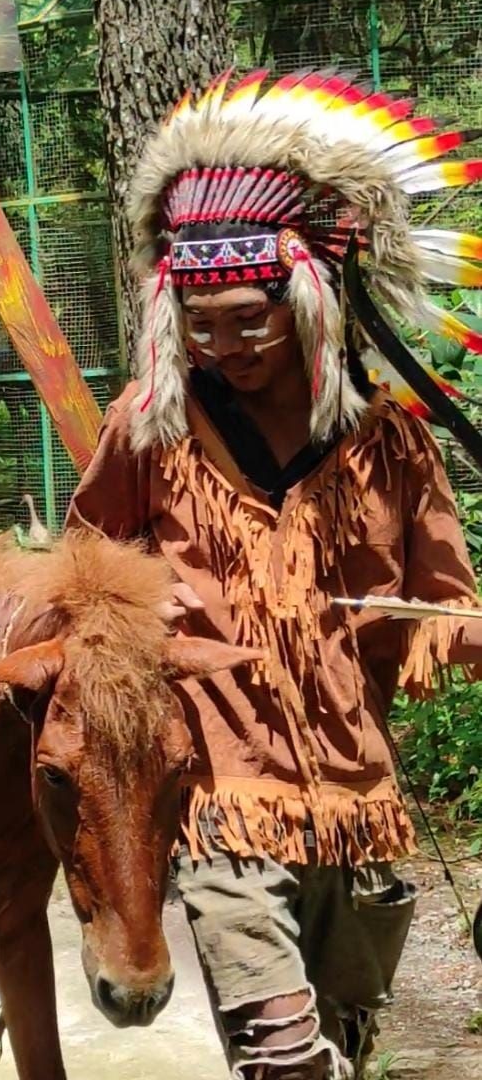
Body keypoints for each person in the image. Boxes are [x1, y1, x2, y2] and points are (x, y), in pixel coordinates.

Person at [67, 68, 482, 1079]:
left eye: (249, 317)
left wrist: (440, 627)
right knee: (283, 1054)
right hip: (219, 798)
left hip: (360, 799)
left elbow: (448, 601)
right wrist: (136, 612)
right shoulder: (149, 427)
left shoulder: (391, 446)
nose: (225, 345)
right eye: (200, 323)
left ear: (309, 295)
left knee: (344, 1042)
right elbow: (85, 564)